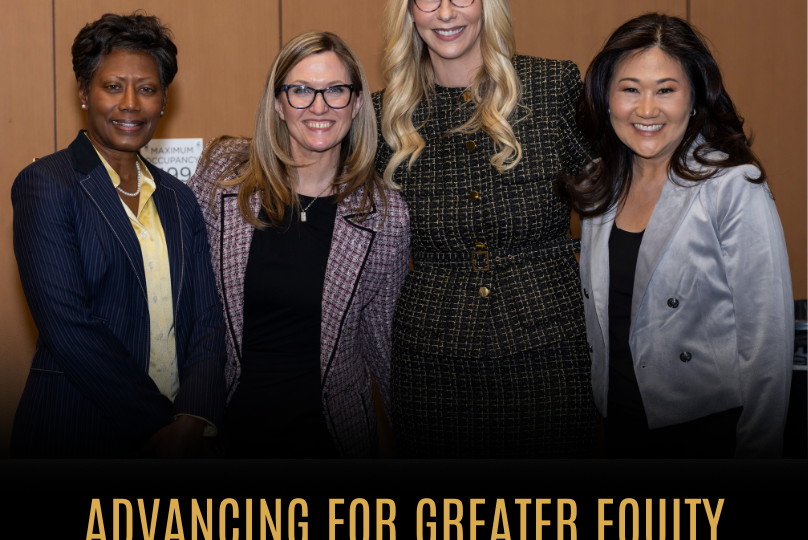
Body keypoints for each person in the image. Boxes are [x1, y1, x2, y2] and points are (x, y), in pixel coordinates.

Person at [556, 13, 793, 458]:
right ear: (606, 98)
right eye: (630, 89)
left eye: (666, 89)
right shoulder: (599, 185)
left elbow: (768, 347)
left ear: (694, 100)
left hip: (710, 432)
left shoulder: (732, 186)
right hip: (621, 423)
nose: (647, 110)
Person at [374, 0, 599, 457]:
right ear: (409, 13)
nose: (446, 13)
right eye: (428, 1)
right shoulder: (385, 115)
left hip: (548, 347)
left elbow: (610, 194)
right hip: (431, 361)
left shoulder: (551, 85)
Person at [11, 12, 226, 458]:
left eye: (147, 89)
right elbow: (69, 325)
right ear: (84, 94)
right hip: (76, 428)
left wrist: (194, 417)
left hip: (182, 436)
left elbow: (206, 319)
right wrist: (161, 426)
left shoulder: (180, 199)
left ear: (163, 101)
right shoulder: (48, 185)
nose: (131, 103)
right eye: (113, 87)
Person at [188, 31, 410, 458]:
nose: (319, 107)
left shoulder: (385, 215)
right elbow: (183, 302)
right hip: (224, 435)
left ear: (358, 102)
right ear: (277, 102)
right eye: (301, 90)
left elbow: (384, 347)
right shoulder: (223, 174)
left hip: (331, 439)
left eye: (336, 91)